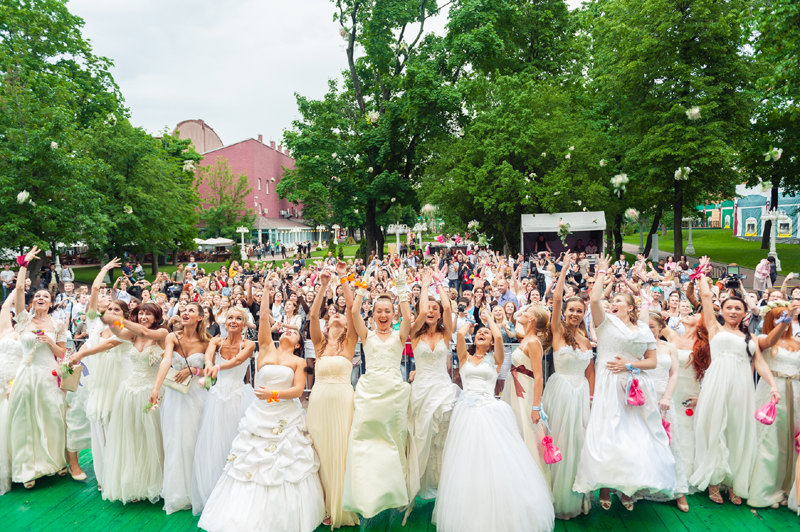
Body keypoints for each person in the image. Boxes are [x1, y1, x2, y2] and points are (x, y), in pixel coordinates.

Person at [198, 284, 324, 532]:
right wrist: (266, 290)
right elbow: (264, 317)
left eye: (294, 332)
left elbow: (299, 391)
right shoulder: (265, 348)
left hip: (284, 415)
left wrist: (274, 394)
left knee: (284, 465)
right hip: (259, 415)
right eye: (285, 330)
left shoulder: (298, 361)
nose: (288, 332)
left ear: (299, 342)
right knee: (251, 462)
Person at [573, 254, 676, 511]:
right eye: (613, 300)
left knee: (637, 437)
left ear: (631, 307)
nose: (613, 303)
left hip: (637, 386)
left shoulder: (643, 329)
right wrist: (601, 274)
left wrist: (630, 366)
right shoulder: (605, 324)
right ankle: (606, 486)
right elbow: (595, 298)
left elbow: (651, 361)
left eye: (618, 300)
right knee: (610, 435)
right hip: (610, 385)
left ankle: (628, 487)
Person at [433, 315, 554, 532]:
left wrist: (489, 319)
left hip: (490, 410)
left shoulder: (495, 360)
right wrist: (470, 322)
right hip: (466, 413)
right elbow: (459, 334)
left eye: (485, 333)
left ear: (490, 343)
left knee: (495, 458)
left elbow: (499, 336)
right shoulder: (464, 359)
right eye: (479, 332)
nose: (482, 333)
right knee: (466, 460)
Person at [690, 264, 780, 505]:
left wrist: (772, 385)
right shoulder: (713, 327)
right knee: (715, 428)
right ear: (723, 310)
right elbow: (707, 297)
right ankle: (714, 482)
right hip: (717, 384)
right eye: (729, 307)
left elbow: (760, 363)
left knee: (737, 431)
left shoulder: (749, 338)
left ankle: (732, 482)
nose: (732, 311)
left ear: (744, 314)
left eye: (737, 308)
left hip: (742, 386)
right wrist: (702, 274)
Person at [342, 262, 412, 518]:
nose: (383, 315)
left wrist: (401, 288)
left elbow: (409, 317)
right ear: (373, 314)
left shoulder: (399, 335)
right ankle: (364, 493)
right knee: (363, 441)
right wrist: (363, 283)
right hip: (370, 393)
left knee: (393, 442)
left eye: (387, 311)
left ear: (392, 314)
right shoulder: (366, 335)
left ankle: (394, 492)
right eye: (379, 311)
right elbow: (354, 311)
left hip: (393, 394)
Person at [93, 302, 169, 504]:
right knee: (131, 436)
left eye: (148, 314)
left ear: (156, 317)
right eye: (141, 313)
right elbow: (116, 329)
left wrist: (119, 319)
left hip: (150, 391)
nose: (144, 317)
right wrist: (104, 315)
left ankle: (155, 482)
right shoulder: (132, 335)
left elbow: (144, 330)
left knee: (152, 437)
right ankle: (134, 483)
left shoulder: (162, 333)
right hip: (129, 391)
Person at [8, 246, 70, 488]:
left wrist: (51, 341)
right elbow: (20, 289)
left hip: (48, 374)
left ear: (51, 302)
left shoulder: (57, 323)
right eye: (37, 297)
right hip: (26, 375)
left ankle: (55, 462)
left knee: (52, 417)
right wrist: (23, 266)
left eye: (45, 297)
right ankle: (27, 469)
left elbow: (62, 354)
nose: (40, 299)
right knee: (25, 420)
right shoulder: (24, 319)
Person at [307, 263, 359, 528]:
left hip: (342, 401)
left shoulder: (349, 344)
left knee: (342, 450)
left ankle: (343, 503)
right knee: (320, 451)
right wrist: (323, 286)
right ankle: (324, 503)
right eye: (332, 315)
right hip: (318, 401)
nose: (336, 315)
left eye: (338, 315)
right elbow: (313, 317)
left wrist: (342, 278)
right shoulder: (319, 345)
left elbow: (352, 310)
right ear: (328, 326)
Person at [542, 252, 594, 519]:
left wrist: (593, 396)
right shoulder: (558, 331)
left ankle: (578, 495)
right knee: (560, 440)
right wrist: (563, 271)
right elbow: (556, 299)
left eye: (579, 310)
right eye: (571, 309)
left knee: (579, 441)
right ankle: (555, 496)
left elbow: (591, 369)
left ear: (584, 313)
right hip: (561, 390)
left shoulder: (586, 338)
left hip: (581, 392)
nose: (574, 313)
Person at [405, 266, 460, 513]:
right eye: (428, 308)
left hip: (442, 387)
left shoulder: (446, 334)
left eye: (434, 309)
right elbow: (420, 310)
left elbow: (448, 308)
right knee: (420, 435)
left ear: (438, 315)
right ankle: (419, 483)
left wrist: (439, 284)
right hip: (421, 390)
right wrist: (424, 288)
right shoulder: (415, 335)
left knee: (442, 437)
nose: (431, 311)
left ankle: (443, 483)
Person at [191, 308, 256, 514]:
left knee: (237, 438)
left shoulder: (248, 344)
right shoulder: (216, 341)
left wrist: (216, 369)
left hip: (239, 395)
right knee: (215, 439)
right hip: (218, 397)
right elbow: (209, 358)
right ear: (224, 322)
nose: (234, 321)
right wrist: (210, 365)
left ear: (244, 324)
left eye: (239, 319)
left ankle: (238, 490)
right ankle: (216, 489)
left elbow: (237, 361)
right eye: (230, 318)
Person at [149, 301, 211, 514]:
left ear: (200, 317)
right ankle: (178, 492)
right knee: (176, 442)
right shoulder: (172, 337)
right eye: (183, 310)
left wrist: (193, 369)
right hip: (175, 396)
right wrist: (156, 388)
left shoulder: (207, 342)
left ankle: (198, 488)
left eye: (191, 310)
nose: (185, 313)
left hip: (197, 396)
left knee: (195, 441)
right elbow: (166, 361)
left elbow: (213, 371)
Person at [747, 301, 800, 508]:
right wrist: (782, 325)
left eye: (787, 319)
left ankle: (789, 488)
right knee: (771, 441)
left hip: (796, 391)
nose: (786, 324)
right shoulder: (762, 340)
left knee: (792, 441)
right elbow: (770, 339)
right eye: (780, 318)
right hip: (773, 390)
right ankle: (765, 492)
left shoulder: (797, 343)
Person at [500, 303, 551, 476]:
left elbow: (539, 376)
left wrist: (536, 406)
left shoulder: (534, 342)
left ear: (531, 319)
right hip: (513, 389)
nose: (521, 312)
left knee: (526, 431)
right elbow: (516, 317)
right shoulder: (525, 337)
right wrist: (529, 308)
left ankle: (531, 476)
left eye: (526, 311)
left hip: (525, 393)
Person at [0, 290, 23, 494]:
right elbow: (5, 307)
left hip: (13, 382)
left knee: (8, 426)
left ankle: (15, 468)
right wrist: (16, 289)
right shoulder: (5, 330)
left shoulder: (26, 335)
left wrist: (14, 384)